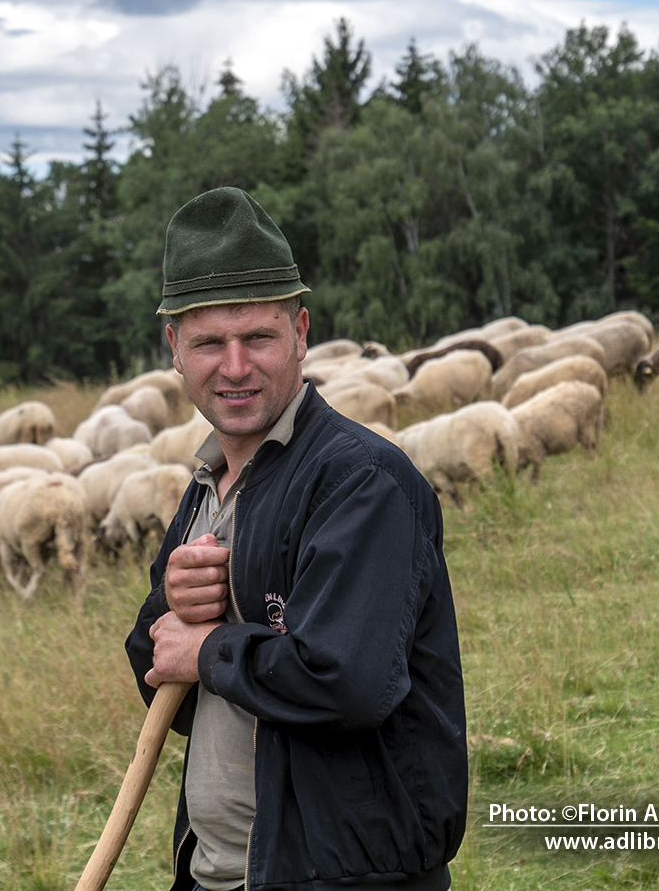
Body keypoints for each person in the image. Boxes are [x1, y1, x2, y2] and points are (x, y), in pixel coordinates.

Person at [125, 187, 467, 891]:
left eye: (258, 337)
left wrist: (209, 649)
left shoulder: (359, 482)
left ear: (301, 333)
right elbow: (161, 673)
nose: (235, 367)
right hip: (223, 872)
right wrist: (169, 606)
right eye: (208, 343)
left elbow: (347, 682)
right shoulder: (207, 487)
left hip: (342, 876)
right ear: (175, 350)